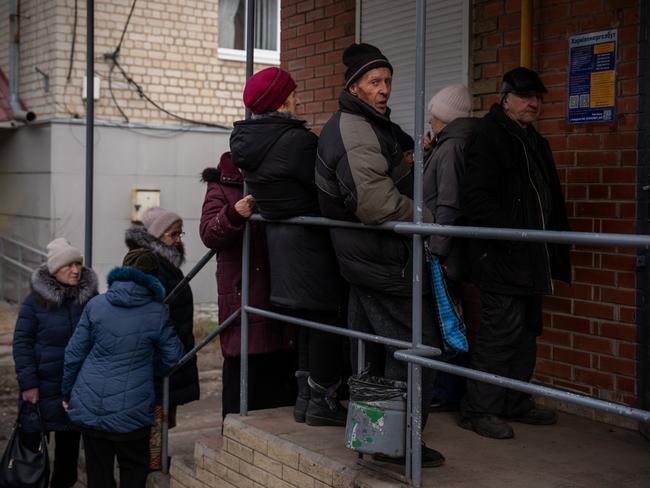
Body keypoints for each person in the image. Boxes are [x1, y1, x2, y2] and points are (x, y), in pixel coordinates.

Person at [316, 42, 444, 467]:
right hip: (379, 260)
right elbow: (373, 203)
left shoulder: (369, 124)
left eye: (387, 80)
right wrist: (426, 217)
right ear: (355, 87)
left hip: (367, 259)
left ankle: (376, 441)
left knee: (375, 356)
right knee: (415, 347)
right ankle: (399, 445)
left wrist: (409, 156)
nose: (384, 89)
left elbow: (383, 173)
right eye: (375, 81)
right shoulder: (354, 129)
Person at [230, 67, 348, 426]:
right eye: (292, 93)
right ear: (281, 100)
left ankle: (305, 398)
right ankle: (323, 400)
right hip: (312, 244)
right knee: (326, 319)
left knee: (308, 321)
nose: (297, 97)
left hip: (282, 245)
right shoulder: (295, 141)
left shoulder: (249, 142)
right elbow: (326, 186)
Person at [459, 67, 571, 439]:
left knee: (526, 331)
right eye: (526, 97)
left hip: (531, 257)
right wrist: (509, 239)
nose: (534, 104)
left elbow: (548, 198)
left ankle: (515, 401)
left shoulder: (533, 140)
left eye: (538, 98)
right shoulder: (489, 136)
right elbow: (476, 198)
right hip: (503, 256)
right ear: (505, 98)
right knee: (499, 331)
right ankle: (479, 409)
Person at [62, 249, 184, 488]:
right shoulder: (157, 313)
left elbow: (73, 355)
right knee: (134, 471)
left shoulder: (96, 305)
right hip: (133, 412)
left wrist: (67, 392)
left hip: (90, 406)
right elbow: (174, 357)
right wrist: (147, 368)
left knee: (98, 475)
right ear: (153, 278)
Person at [199, 151, 298, 418]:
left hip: (284, 298)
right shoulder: (223, 182)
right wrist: (235, 212)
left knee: (280, 402)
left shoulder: (284, 176)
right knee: (242, 397)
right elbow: (208, 232)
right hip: (245, 301)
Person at [12, 237, 97, 488]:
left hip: (74, 391)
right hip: (39, 390)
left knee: (67, 458)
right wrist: (28, 384)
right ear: (53, 270)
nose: (75, 270)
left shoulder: (91, 300)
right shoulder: (35, 302)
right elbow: (22, 344)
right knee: (30, 453)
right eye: (67, 265)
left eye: (78, 264)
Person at [125, 208, 200, 469]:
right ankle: (151, 466)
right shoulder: (152, 267)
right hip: (156, 359)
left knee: (163, 413)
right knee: (156, 414)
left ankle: (153, 462)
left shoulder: (167, 265)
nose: (178, 239)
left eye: (180, 233)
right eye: (173, 234)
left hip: (171, 354)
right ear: (157, 237)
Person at [422, 84, 478, 410]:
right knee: (447, 319)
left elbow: (448, 203)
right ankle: (446, 388)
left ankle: (447, 391)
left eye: (434, 113)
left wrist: (437, 250)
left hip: (441, 252)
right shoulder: (448, 145)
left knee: (447, 322)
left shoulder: (452, 148)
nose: (430, 118)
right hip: (443, 249)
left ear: (444, 117)